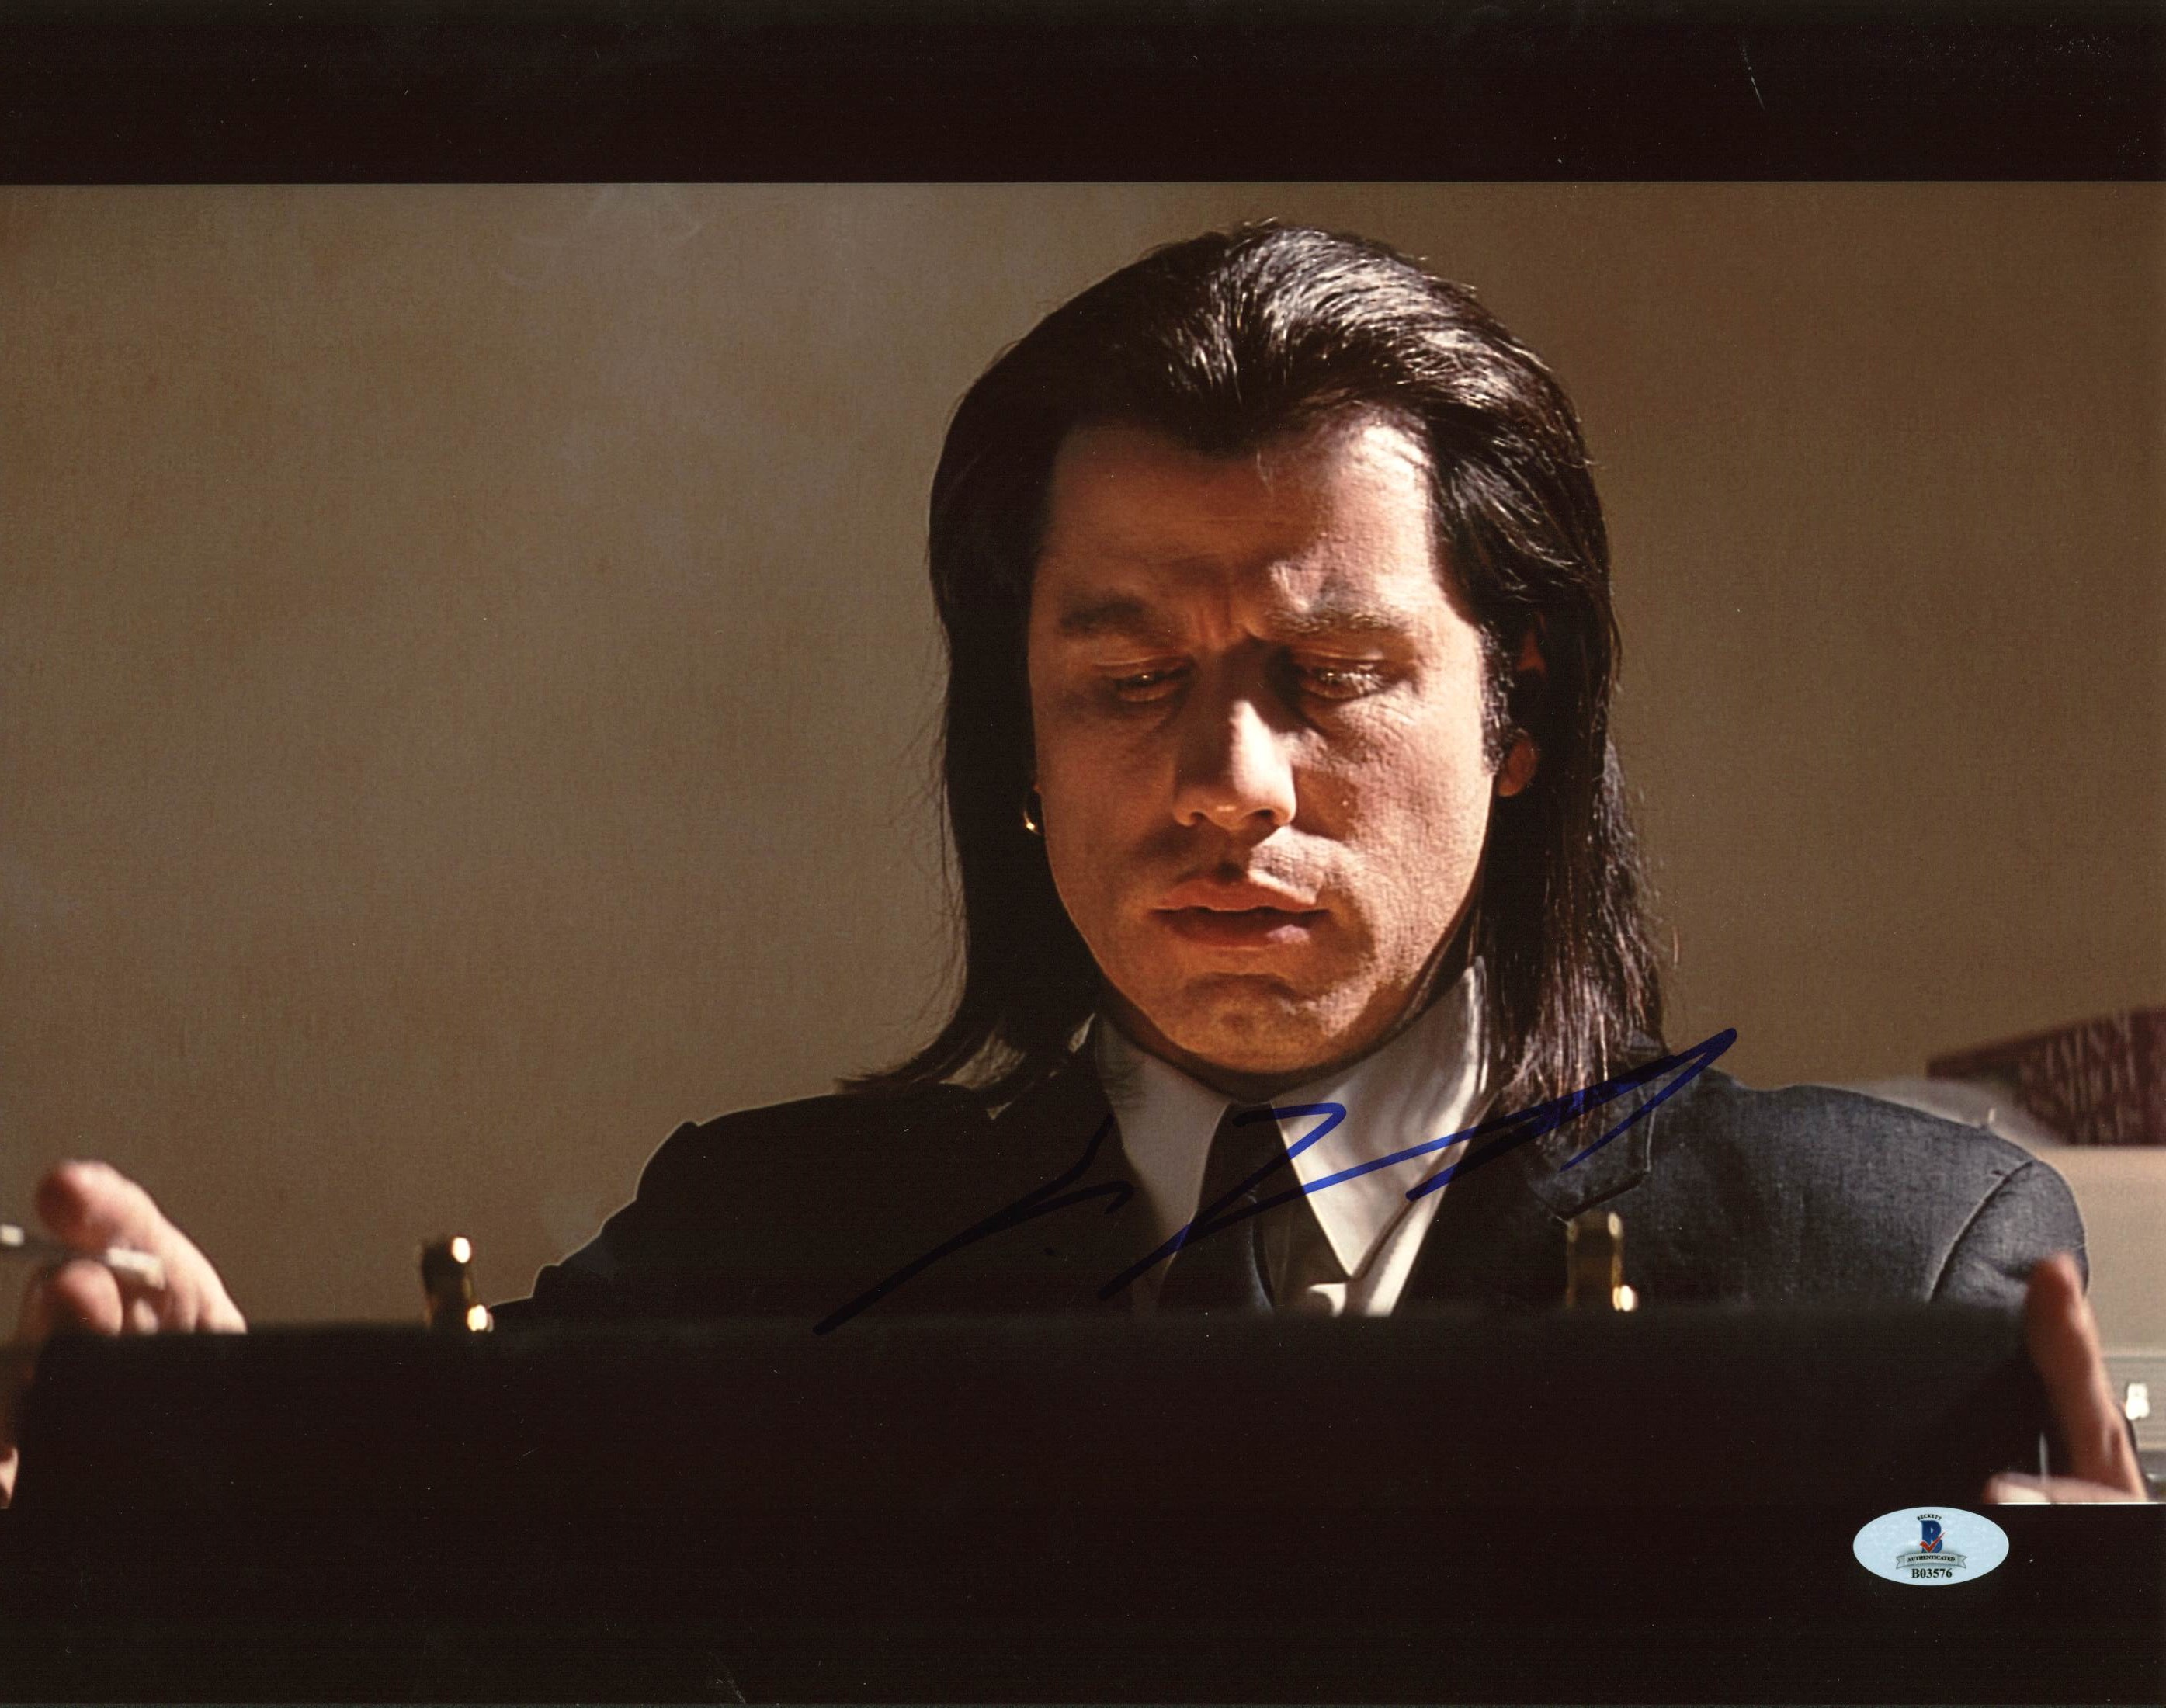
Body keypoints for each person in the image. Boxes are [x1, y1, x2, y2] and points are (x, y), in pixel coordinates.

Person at [0, 225, 2144, 1504]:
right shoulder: (745, 1261)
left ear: (1517, 713)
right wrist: (226, 1497)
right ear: (1016, 747)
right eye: (1128, 683)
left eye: (1332, 676)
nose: (1228, 782)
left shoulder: (1896, 1267)